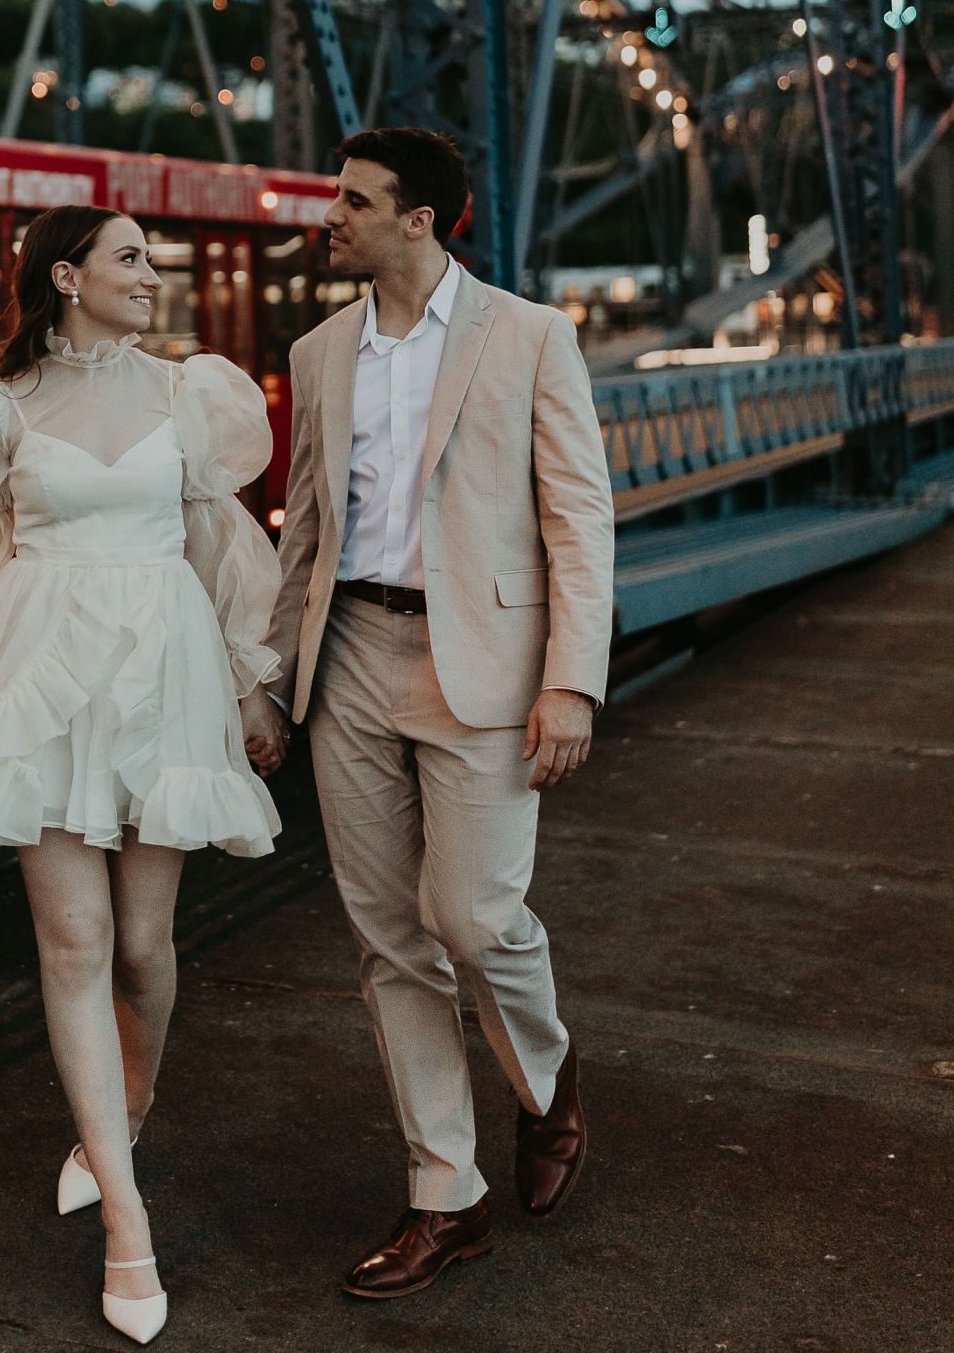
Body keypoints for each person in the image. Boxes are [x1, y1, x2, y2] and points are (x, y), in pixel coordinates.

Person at [0, 206, 289, 1346]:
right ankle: (128, 1216)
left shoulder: (187, 395)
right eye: (129, 259)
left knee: (145, 952)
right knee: (74, 947)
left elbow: (221, 545)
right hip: (42, 673)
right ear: (67, 276)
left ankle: (125, 1113)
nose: (152, 276)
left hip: (163, 669)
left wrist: (253, 687)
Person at [259, 126, 615, 1301]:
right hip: (350, 652)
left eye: (354, 202)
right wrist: (270, 678)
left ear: (420, 221)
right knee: (387, 940)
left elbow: (577, 518)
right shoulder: (317, 351)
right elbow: (302, 525)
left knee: (471, 916)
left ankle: (547, 1080)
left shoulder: (528, 334)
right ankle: (442, 1195)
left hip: (484, 663)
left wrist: (570, 679)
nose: (332, 216)